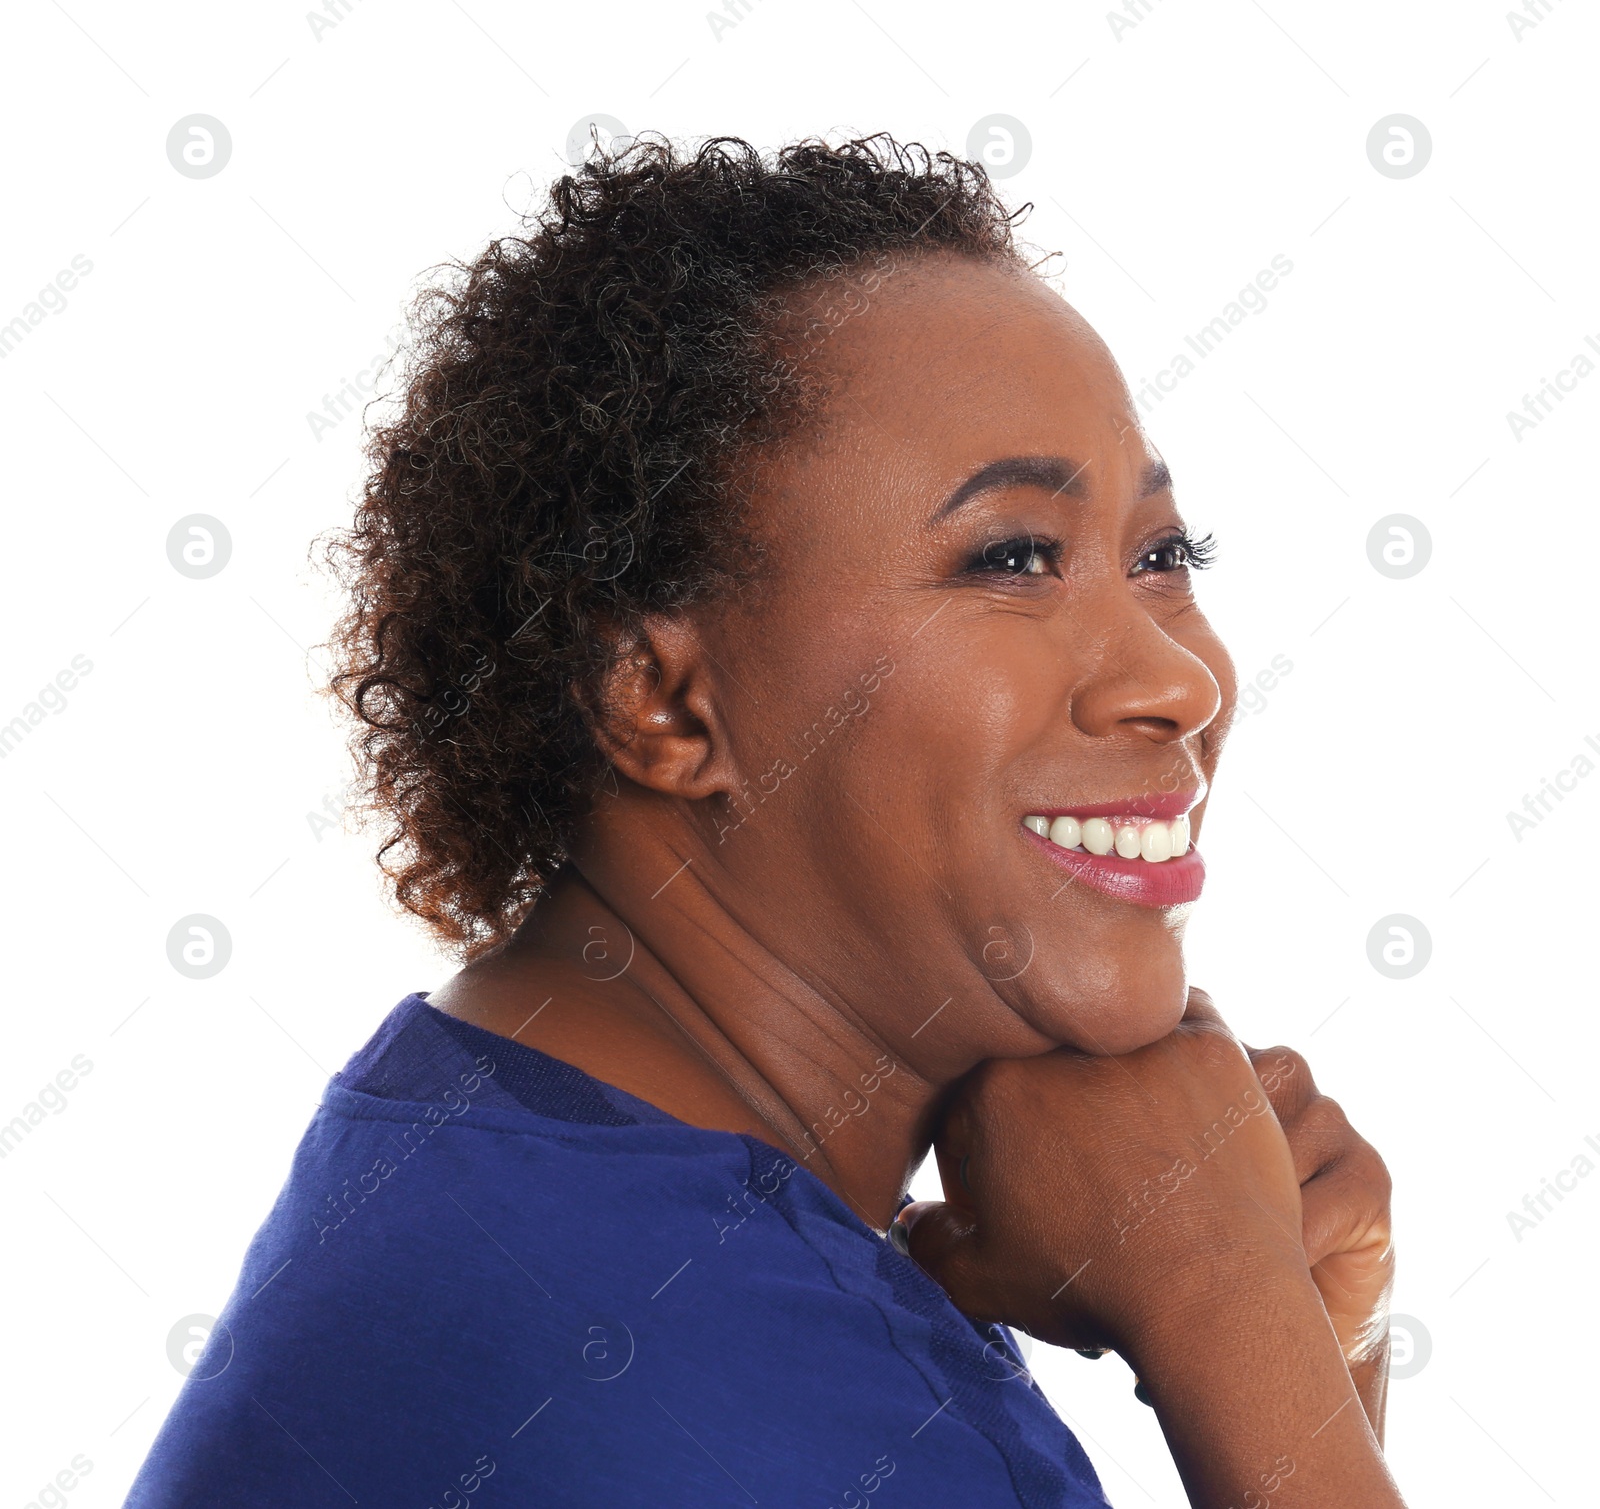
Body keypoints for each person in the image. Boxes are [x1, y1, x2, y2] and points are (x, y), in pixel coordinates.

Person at [125, 132, 1403, 1508]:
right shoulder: (729, 1397)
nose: (1180, 678)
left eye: (1159, 559)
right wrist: (1224, 1309)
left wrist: (1309, 1353)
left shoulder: (489, 1150)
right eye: (1012, 559)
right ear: (668, 705)